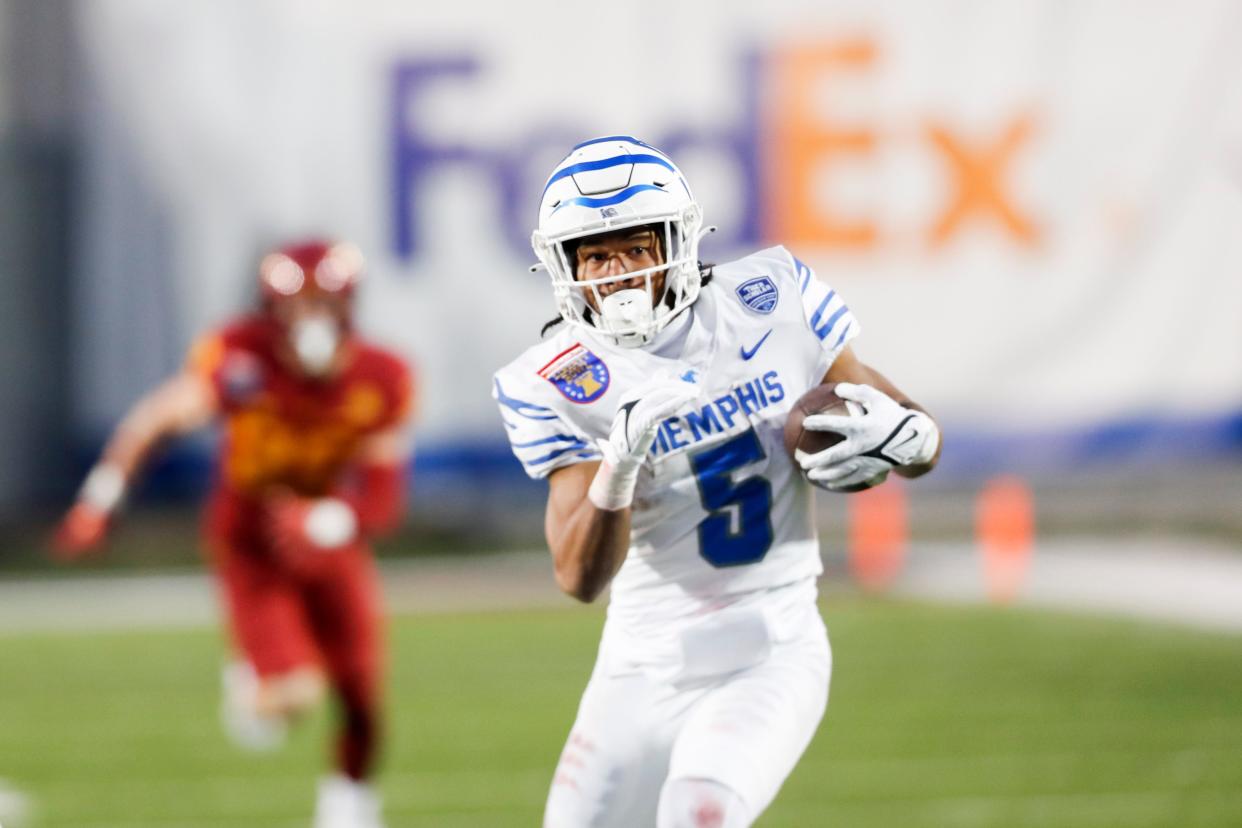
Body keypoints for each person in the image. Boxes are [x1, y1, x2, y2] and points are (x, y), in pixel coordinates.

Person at [493, 136, 941, 827]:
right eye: (596, 255)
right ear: (565, 268)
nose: (616, 273)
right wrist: (621, 461)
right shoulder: (551, 380)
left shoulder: (771, 298)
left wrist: (915, 438)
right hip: (640, 668)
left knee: (697, 812)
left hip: (771, 647)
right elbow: (578, 580)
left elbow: (906, 433)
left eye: (636, 248)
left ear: (677, 242)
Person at [53, 240, 414, 828]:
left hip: (327, 536)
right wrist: (100, 502)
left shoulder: (382, 375)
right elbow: (155, 422)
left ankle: (349, 810)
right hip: (252, 540)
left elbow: (383, 496)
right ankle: (253, 677)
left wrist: (329, 520)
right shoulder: (242, 358)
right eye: (298, 306)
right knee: (292, 700)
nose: (311, 320)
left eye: (325, 303)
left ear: (349, 304)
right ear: (271, 309)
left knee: (362, 690)